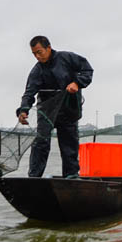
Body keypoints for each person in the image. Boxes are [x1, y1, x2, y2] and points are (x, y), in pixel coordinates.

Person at [17, 35, 94, 178]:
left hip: (68, 108)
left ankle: (71, 175)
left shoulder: (67, 58)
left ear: (48, 48)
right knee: (41, 142)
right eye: (34, 54)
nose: (37, 56)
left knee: (69, 143)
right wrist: (23, 110)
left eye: (40, 52)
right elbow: (29, 92)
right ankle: (34, 177)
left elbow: (87, 70)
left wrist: (77, 83)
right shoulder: (37, 70)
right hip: (47, 111)